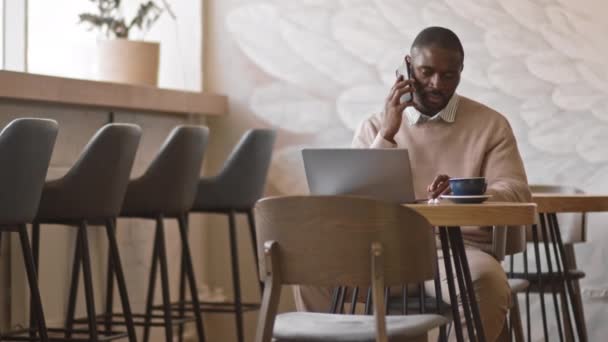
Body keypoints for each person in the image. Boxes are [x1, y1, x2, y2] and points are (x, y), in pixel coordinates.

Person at [293, 26, 531, 341]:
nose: (436, 84)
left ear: (461, 72)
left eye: (449, 76)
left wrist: (463, 192)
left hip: (457, 252)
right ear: (408, 67)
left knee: (487, 282)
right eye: (426, 72)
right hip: (384, 253)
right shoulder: (375, 125)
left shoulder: (491, 125)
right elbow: (351, 207)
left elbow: (516, 193)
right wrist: (387, 135)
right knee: (310, 273)